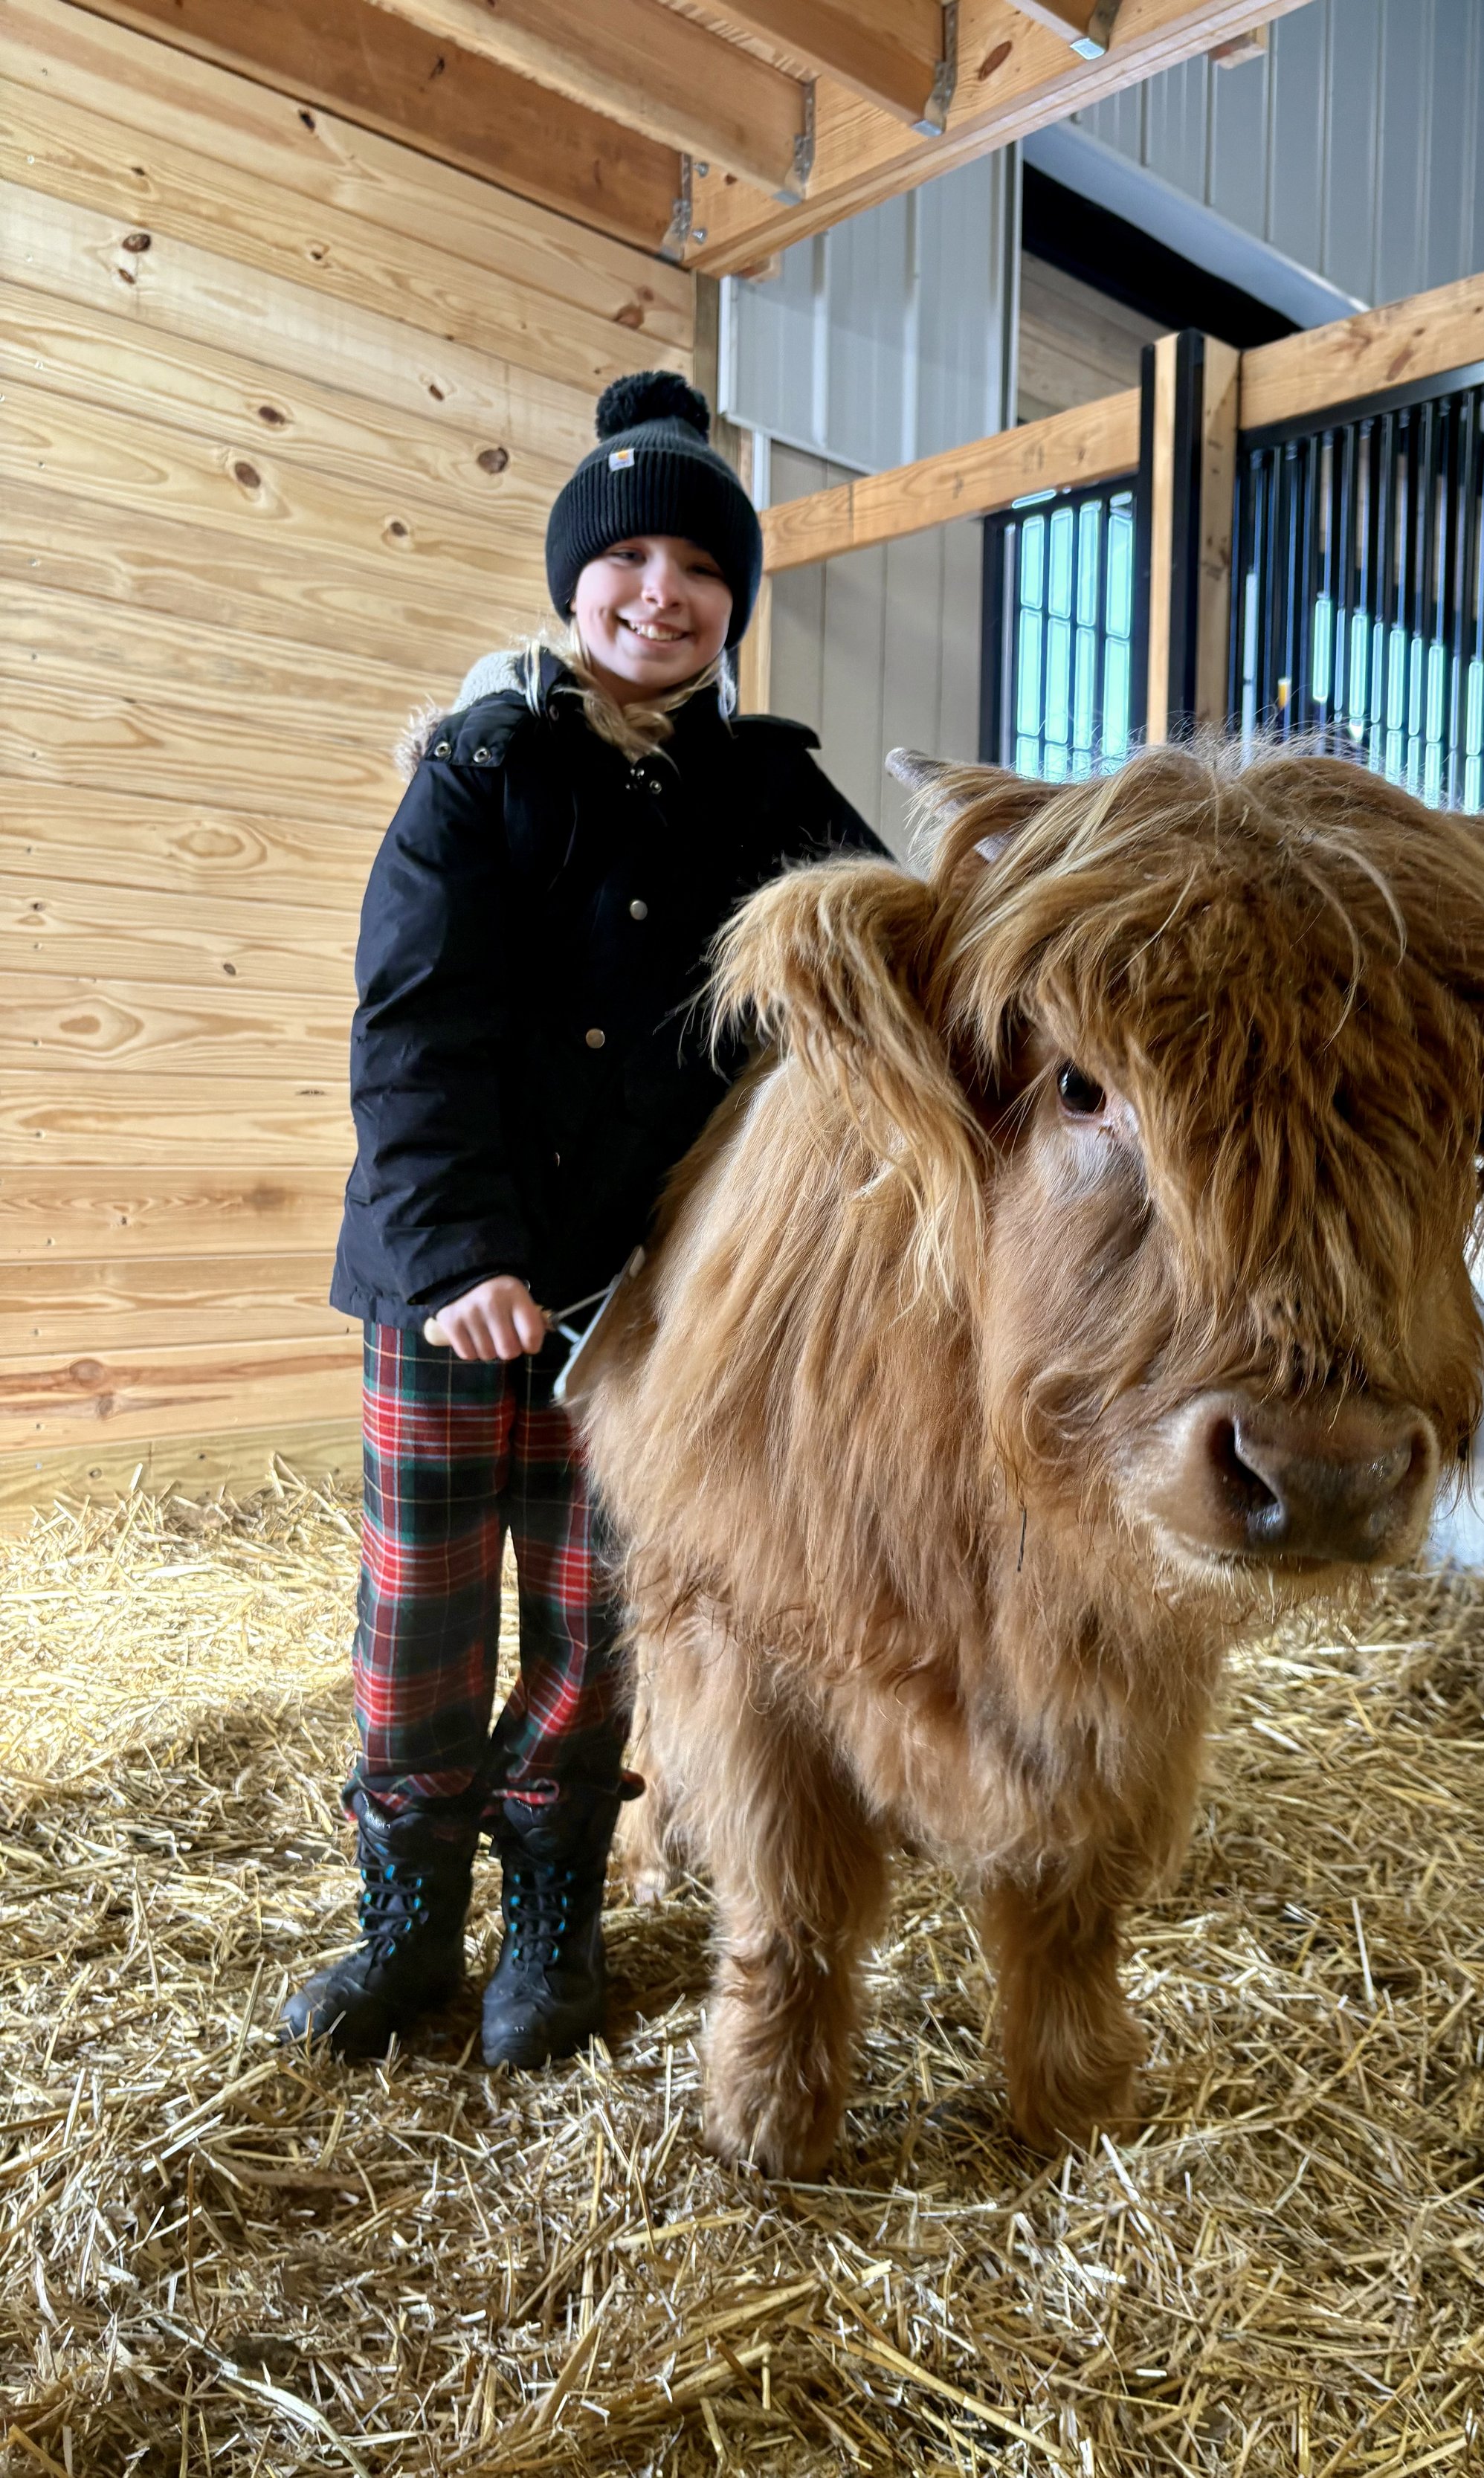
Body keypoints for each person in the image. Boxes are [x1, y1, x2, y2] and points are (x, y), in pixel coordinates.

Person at [285, 372, 880, 2068]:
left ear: (733, 605)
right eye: (626, 557)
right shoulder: (483, 767)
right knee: (420, 1610)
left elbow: (899, 950)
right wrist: (457, 1251)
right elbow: (411, 1023)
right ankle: (404, 1922)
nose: (660, 591)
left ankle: (553, 1906)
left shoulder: (771, 796)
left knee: (597, 1614)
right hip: (447, 1281)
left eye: (701, 565)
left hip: (641, 1308)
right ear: (573, 582)